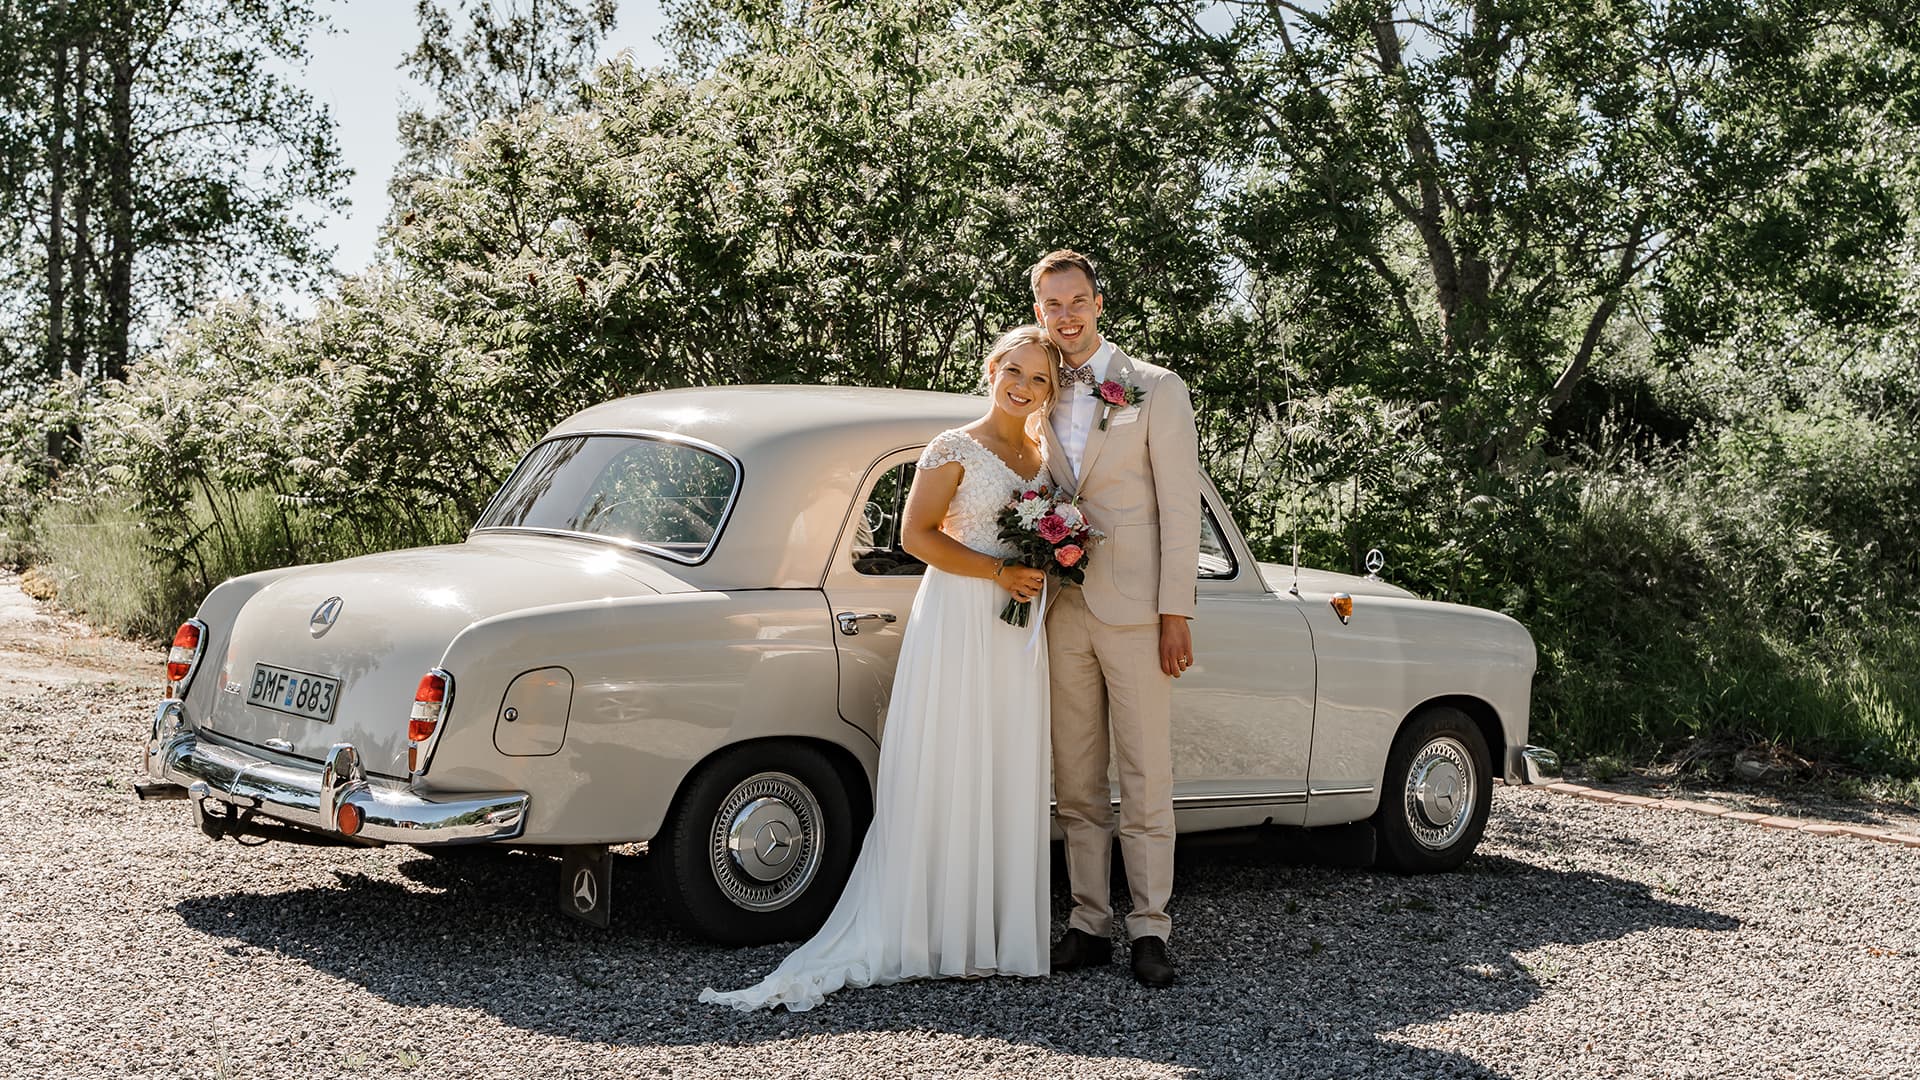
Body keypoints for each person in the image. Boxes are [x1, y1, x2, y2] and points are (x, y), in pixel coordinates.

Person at [700, 325, 1059, 1012]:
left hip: (1015, 626)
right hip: (960, 615)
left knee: (1001, 759)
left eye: (1039, 379)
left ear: (1049, 390)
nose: (1023, 386)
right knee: (952, 760)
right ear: (992, 370)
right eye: (1014, 370)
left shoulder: (1042, 455)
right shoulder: (952, 446)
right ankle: (932, 932)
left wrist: (1045, 560)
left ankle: (988, 935)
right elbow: (916, 536)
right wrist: (1000, 569)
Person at [1031, 249, 1200, 988]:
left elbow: (1179, 509)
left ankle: (1152, 927)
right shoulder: (1033, 388)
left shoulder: (1155, 389)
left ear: (1099, 303)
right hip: (1062, 606)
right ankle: (1089, 920)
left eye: (1077, 302)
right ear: (1039, 312)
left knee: (1144, 770)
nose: (1065, 317)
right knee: (1075, 779)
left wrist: (1175, 613)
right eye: (1051, 306)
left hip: (1136, 611)